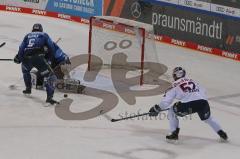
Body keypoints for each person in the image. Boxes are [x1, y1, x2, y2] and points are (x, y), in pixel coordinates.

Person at [149, 67, 228, 141]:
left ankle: (174, 134)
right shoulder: (194, 81)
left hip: (188, 106)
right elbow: (204, 91)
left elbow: (165, 103)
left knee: (171, 111)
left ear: (175, 75)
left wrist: (156, 108)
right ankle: (222, 134)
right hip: (203, 103)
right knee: (208, 119)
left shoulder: (174, 85)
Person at [13, 23, 70, 105]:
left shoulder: (27, 36)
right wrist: (49, 60)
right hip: (38, 59)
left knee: (25, 71)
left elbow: (21, 48)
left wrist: (20, 59)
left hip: (26, 58)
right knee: (51, 76)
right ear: (41, 30)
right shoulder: (44, 35)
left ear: (32, 29)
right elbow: (52, 48)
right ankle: (49, 98)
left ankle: (28, 89)